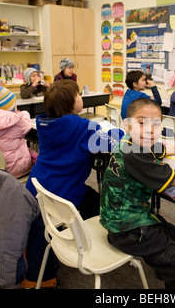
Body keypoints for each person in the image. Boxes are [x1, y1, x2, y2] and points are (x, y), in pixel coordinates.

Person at [100, 98, 175, 289]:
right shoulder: (135, 152)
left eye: (155, 124)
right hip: (126, 229)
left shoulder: (130, 141)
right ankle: (173, 273)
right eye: (142, 122)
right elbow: (173, 179)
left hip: (121, 216)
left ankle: (164, 269)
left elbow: (167, 148)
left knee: (174, 233)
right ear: (128, 125)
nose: (149, 129)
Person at [25, 79, 122, 220]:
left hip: (39, 188)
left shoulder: (44, 123)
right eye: (79, 94)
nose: (82, 97)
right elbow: (113, 142)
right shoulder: (81, 126)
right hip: (64, 196)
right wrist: (122, 133)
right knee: (106, 207)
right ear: (69, 103)